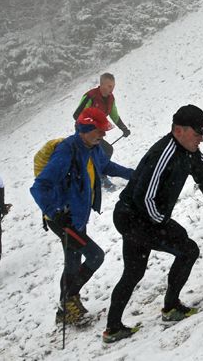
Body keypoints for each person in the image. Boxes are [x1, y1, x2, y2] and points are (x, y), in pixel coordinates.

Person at [103, 105, 203, 343]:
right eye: (197, 133)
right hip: (133, 217)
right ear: (178, 130)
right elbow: (145, 198)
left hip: (141, 216)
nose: (201, 139)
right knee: (188, 250)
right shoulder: (164, 154)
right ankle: (171, 308)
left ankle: (113, 329)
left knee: (134, 272)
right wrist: (164, 223)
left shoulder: (189, 151)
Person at [30, 107, 134, 326]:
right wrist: (55, 213)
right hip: (64, 220)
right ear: (85, 129)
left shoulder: (92, 147)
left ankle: (66, 309)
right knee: (95, 256)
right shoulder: (67, 152)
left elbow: (106, 166)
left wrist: (135, 174)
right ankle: (67, 301)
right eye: (100, 131)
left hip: (77, 217)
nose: (104, 135)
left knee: (72, 264)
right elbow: (39, 187)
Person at [73, 73, 131, 187]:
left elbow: (114, 115)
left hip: (96, 134)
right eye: (109, 86)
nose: (112, 89)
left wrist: (124, 128)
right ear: (102, 84)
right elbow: (76, 115)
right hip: (83, 133)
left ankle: (98, 176)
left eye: (113, 86)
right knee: (97, 153)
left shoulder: (111, 99)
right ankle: (95, 178)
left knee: (106, 151)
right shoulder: (90, 96)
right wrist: (92, 124)